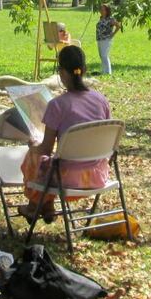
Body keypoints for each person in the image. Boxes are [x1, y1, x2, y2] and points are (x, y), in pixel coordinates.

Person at [18, 44, 112, 223]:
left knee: (36, 156)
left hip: (68, 179)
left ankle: (33, 206)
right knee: (52, 162)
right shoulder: (101, 100)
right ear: (84, 70)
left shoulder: (58, 105)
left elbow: (45, 149)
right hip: (97, 174)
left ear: (60, 72)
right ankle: (47, 207)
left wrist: (33, 145)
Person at [95, 4, 122, 75]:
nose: (101, 11)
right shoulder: (101, 18)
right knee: (101, 55)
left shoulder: (110, 19)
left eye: (103, 9)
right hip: (100, 39)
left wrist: (113, 34)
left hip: (106, 39)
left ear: (107, 11)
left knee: (104, 55)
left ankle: (108, 72)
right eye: (100, 9)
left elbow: (118, 26)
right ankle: (104, 71)